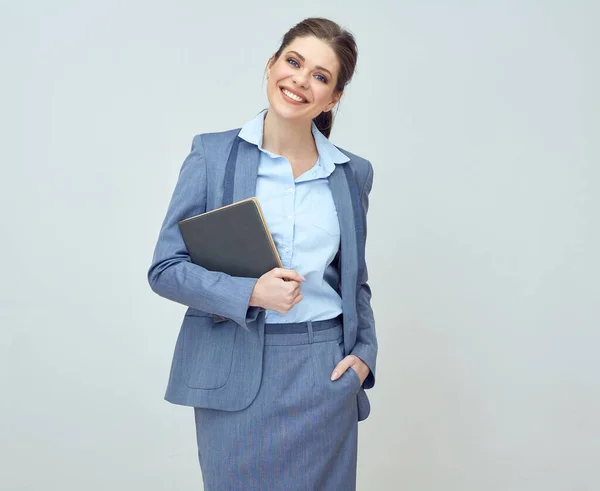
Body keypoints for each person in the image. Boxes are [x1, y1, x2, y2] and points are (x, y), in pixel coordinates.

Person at [148, 17, 377, 491]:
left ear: (333, 97)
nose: (300, 80)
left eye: (320, 75)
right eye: (293, 62)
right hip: (234, 367)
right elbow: (165, 269)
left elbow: (354, 282)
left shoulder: (352, 173)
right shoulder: (212, 155)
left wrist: (364, 356)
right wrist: (250, 291)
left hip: (323, 371)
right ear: (272, 64)